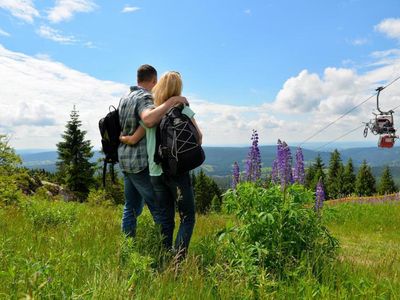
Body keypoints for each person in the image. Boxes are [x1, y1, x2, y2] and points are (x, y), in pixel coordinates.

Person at [121, 71, 202, 257]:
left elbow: (135, 138)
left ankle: (164, 256)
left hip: (156, 174)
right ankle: (178, 261)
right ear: (178, 89)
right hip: (178, 173)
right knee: (187, 217)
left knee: (166, 220)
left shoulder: (152, 112)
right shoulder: (183, 109)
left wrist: (122, 138)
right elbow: (199, 138)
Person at [118, 65, 187, 237]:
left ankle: (127, 244)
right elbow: (148, 120)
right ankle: (163, 250)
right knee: (159, 208)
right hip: (141, 162)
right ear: (154, 81)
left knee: (131, 206)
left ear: (138, 78)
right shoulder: (144, 97)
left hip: (125, 159)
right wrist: (171, 102)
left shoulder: (125, 97)